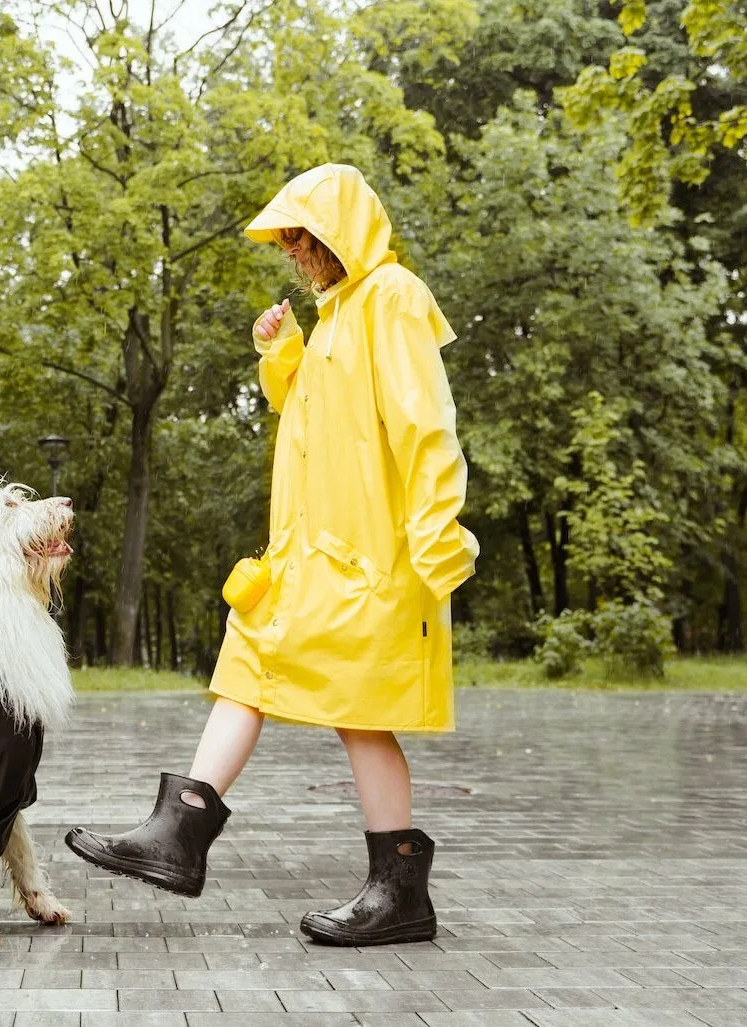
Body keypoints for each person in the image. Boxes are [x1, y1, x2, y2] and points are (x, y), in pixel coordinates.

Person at [65, 163, 479, 947]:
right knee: (247, 665)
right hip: (310, 557)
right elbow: (316, 409)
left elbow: (427, 425)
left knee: (361, 718)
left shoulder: (390, 299)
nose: (292, 251)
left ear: (337, 234)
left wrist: (437, 533)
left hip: (374, 559)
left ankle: (399, 893)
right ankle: (178, 834)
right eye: (287, 239)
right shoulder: (339, 314)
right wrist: (283, 350)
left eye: (301, 237)